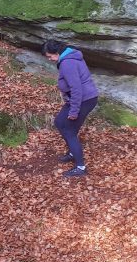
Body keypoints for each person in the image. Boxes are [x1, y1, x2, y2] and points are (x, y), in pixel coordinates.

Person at [42, 40, 99, 177]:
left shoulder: (68, 63)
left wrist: (74, 111)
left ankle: (80, 167)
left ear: (57, 53)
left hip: (84, 99)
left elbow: (76, 88)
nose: (50, 59)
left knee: (69, 130)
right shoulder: (69, 58)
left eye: (50, 56)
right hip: (80, 98)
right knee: (59, 122)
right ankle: (73, 153)